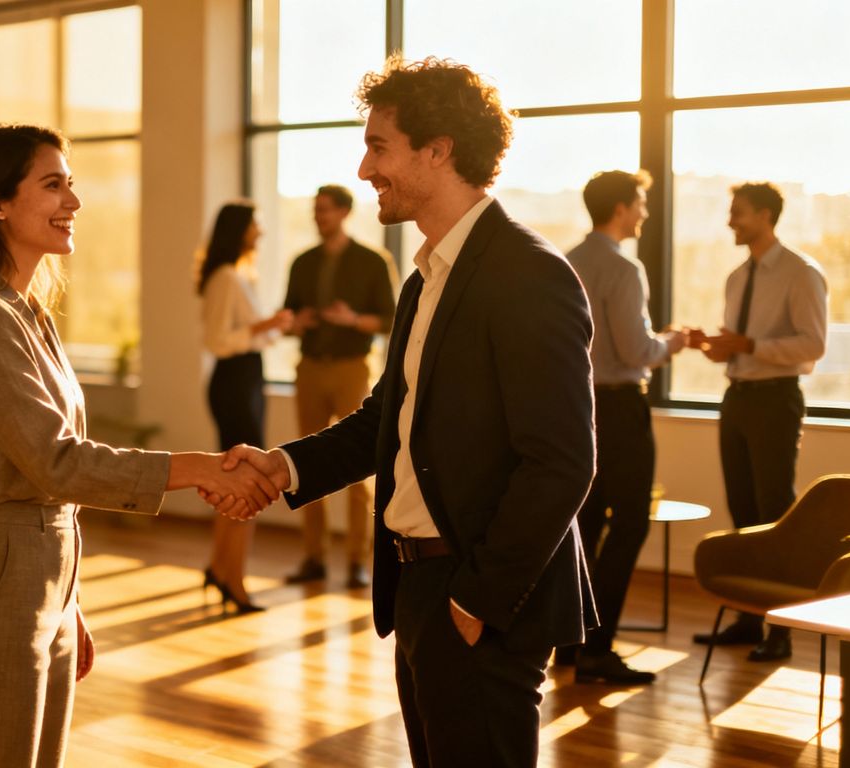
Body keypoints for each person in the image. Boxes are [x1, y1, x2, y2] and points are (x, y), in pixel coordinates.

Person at [211, 57, 597, 767]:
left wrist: (476, 601)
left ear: (438, 149)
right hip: (420, 585)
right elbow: (388, 417)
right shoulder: (426, 279)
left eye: (378, 147)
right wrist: (284, 464)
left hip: (479, 593)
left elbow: (562, 462)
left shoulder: (528, 274)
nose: (364, 170)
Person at [0, 123, 279, 767]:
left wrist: (67, 600)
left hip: (40, 583)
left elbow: (47, 475)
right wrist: (203, 467)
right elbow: (55, 461)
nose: (73, 201)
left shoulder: (25, 312)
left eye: (70, 184)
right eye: (52, 185)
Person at [691, 182, 828, 662]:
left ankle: (781, 631)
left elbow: (813, 346)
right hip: (738, 398)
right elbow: (743, 346)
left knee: (774, 515)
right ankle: (748, 619)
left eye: (739, 213)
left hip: (775, 402)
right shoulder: (735, 277)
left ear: (766, 216)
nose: (730, 221)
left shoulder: (801, 273)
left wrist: (749, 346)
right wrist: (719, 348)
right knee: (742, 510)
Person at [559, 170, 685, 684]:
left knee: (584, 524)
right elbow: (638, 351)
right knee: (630, 522)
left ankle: (569, 644)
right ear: (620, 208)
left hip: (576, 407)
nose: (645, 213)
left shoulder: (565, 262)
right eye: (640, 203)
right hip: (620, 409)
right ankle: (597, 648)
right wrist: (673, 342)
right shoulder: (624, 269)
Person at [281, 184, 396, 588]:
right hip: (310, 367)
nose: (318, 216)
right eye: (315, 210)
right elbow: (290, 316)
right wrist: (299, 322)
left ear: (345, 212)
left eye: (325, 210)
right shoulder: (303, 262)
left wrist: (352, 320)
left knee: (359, 464)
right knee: (306, 462)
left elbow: (390, 320)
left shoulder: (373, 261)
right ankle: (313, 556)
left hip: (352, 369)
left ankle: (357, 561)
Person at [198, 201, 293, 613]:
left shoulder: (238, 275)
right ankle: (232, 578)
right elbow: (219, 341)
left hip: (246, 379)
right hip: (235, 382)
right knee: (245, 481)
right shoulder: (225, 278)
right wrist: (263, 326)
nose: (261, 232)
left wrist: (267, 327)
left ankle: (222, 569)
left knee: (236, 478)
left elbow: (247, 336)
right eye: (255, 225)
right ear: (239, 230)